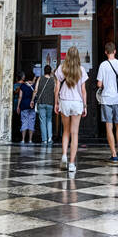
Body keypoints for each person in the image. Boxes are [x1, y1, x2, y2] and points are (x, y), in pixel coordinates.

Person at [55, 46, 88, 175]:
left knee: (66, 131)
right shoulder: (81, 70)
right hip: (77, 102)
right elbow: (84, 91)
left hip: (64, 101)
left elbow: (56, 88)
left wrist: (56, 103)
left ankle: (64, 155)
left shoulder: (62, 68)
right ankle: (72, 163)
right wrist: (85, 106)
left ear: (67, 56)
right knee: (75, 133)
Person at [97, 40, 118, 163]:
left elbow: (99, 84)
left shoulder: (103, 65)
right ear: (115, 51)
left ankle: (113, 154)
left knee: (108, 126)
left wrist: (105, 84)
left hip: (106, 99)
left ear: (106, 52)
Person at [33, 64, 56, 146]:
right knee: (49, 120)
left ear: (44, 71)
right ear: (50, 72)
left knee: (43, 121)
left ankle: (44, 139)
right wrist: (57, 102)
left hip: (41, 102)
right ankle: (50, 138)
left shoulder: (40, 78)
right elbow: (55, 92)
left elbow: (35, 90)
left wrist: (32, 100)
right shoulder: (53, 80)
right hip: (50, 103)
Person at [17, 71, 37, 143]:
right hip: (32, 106)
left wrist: (18, 106)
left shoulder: (22, 86)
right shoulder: (34, 86)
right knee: (31, 122)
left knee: (24, 122)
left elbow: (20, 96)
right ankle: (30, 140)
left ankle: (23, 139)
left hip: (24, 105)